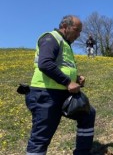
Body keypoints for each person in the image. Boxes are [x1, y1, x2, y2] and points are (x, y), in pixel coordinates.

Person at [25, 15, 96, 155]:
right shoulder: (50, 38)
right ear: (65, 26)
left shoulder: (66, 44)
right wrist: (68, 82)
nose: (78, 34)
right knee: (41, 137)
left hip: (62, 93)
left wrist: (76, 78)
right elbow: (45, 64)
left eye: (80, 31)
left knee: (88, 113)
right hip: (45, 94)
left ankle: (82, 152)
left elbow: (61, 67)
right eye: (77, 30)